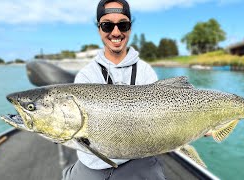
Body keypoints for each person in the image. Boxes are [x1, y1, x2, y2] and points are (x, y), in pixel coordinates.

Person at [62, 0, 166, 180]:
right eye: (107, 26)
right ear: (99, 29)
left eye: (123, 25)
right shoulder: (86, 76)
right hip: (93, 164)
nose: (116, 32)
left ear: (130, 28)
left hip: (138, 159)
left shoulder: (145, 71)